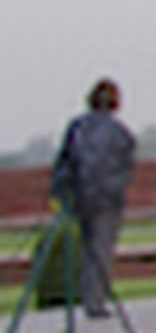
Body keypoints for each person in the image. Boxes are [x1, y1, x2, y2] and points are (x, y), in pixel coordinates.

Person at [48, 79, 137, 318]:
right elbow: (126, 169)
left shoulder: (77, 127)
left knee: (88, 248)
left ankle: (89, 295)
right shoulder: (122, 133)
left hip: (79, 197)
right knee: (101, 248)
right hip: (107, 199)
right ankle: (95, 300)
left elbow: (64, 162)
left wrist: (60, 193)